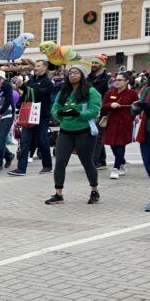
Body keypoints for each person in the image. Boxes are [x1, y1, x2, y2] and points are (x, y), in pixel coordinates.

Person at [46, 64, 102, 205]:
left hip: (84, 132)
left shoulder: (91, 91)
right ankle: (58, 194)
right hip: (65, 131)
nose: (72, 75)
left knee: (87, 162)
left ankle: (94, 190)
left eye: (76, 73)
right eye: (70, 73)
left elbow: (94, 110)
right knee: (60, 162)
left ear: (82, 75)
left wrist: (79, 113)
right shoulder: (64, 91)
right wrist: (59, 114)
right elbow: (55, 107)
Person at [9, 59, 55, 175]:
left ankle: (47, 165)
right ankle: (21, 168)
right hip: (29, 114)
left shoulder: (48, 82)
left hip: (42, 115)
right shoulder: (31, 81)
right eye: (35, 65)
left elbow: (38, 94)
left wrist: (23, 86)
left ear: (45, 67)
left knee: (42, 140)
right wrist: (19, 88)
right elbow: (25, 96)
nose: (36, 68)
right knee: (24, 141)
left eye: (38, 66)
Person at [101, 72, 138, 180]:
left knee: (121, 144)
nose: (116, 82)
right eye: (115, 80)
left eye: (119, 80)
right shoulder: (110, 92)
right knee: (113, 145)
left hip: (124, 123)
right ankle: (122, 162)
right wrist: (111, 105)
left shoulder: (132, 93)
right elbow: (103, 106)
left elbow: (136, 108)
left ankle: (115, 168)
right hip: (112, 122)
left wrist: (131, 117)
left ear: (127, 81)